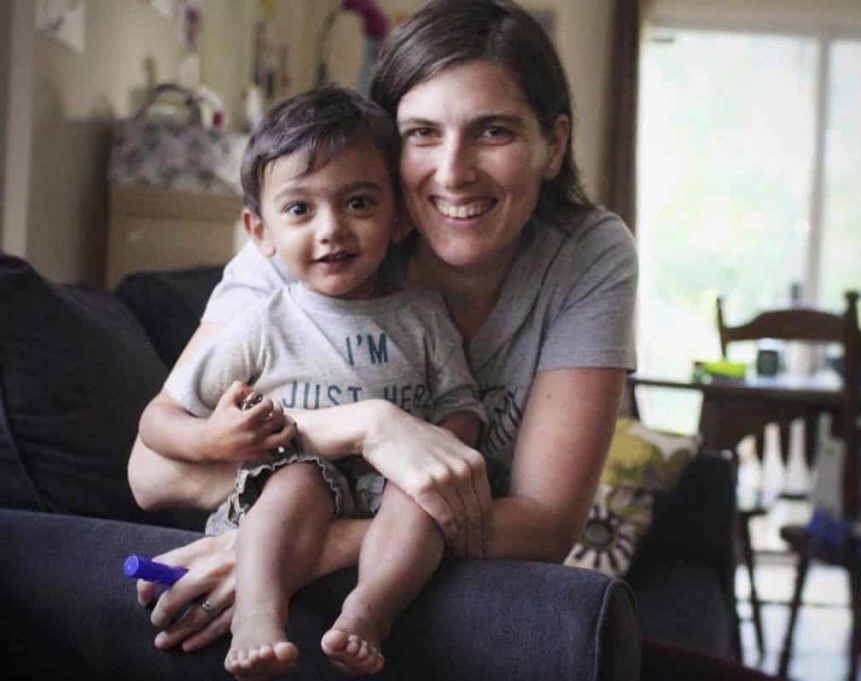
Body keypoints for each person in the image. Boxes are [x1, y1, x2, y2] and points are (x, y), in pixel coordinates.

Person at [127, 0, 637, 667]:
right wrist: (367, 426)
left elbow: (545, 524)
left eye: (493, 131)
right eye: (422, 133)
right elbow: (153, 472)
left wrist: (295, 551)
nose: (453, 171)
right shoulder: (307, 242)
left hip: (412, 587)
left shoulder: (586, 254)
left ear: (555, 145)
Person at [137, 87, 486, 678]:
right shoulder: (263, 322)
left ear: (400, 217)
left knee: (421, 499)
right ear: (260, 230)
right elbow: (158, 419)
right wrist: (213, 439)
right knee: (298, 479)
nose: (332, 230)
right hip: (288, 490)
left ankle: (368, 615)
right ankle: (257, 618)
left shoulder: (424, 317)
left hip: (386, 492)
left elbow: (461, 403)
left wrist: (443, 450)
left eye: (358, 203)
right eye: (300, 209)